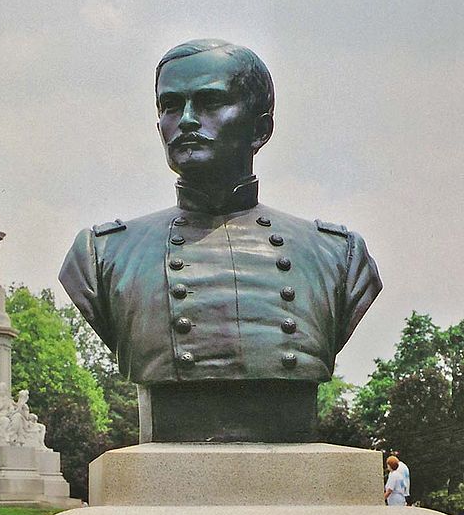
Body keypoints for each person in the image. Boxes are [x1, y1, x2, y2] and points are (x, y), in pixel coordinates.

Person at [59, 39, 382, 443]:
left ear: (260, 128)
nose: (187, 120)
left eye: (210, 103)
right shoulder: (102, 254)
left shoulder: (337, 254)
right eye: (171, 106)